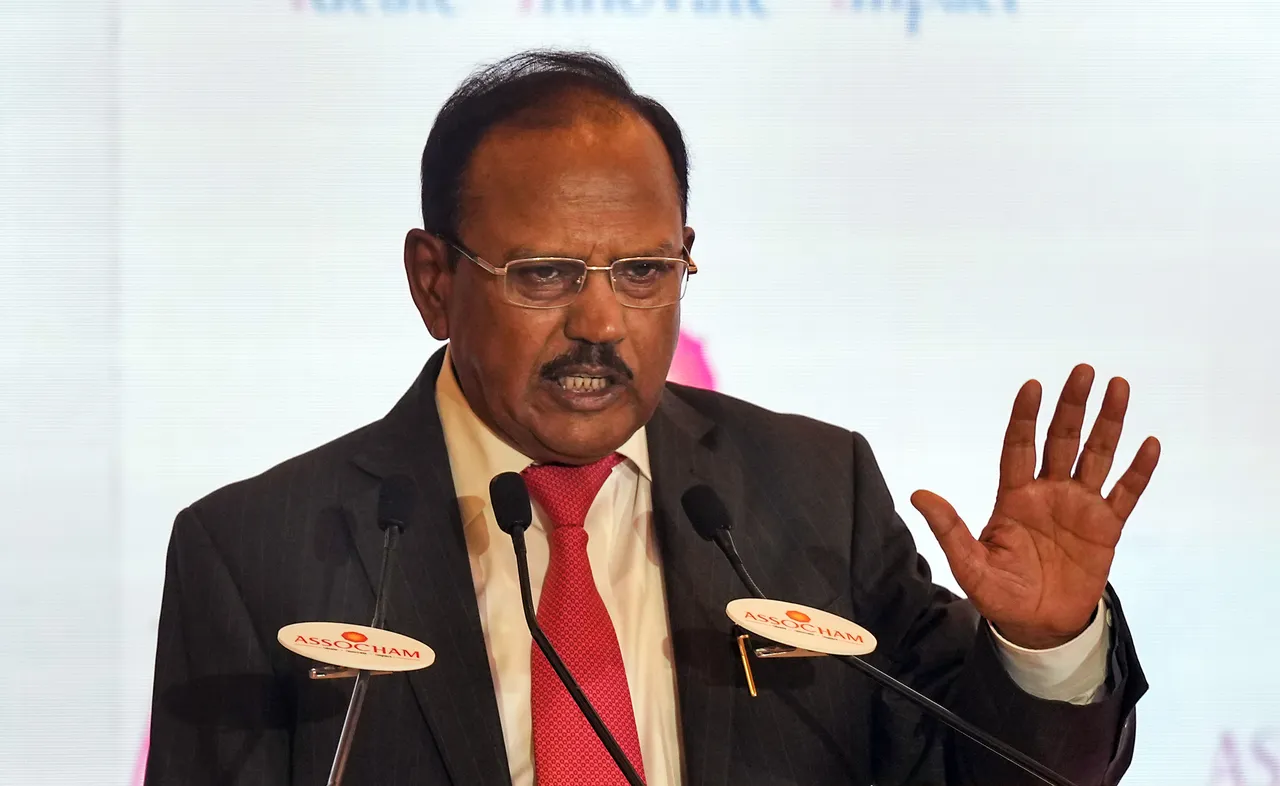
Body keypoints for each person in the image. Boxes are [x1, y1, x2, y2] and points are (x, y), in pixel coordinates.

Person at [145, 50, 1159, 786]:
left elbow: (988, 776)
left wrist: (1044, 647)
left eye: (642, 271)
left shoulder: (810, 495)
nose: (599, 322)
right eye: (542, 274)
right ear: (434, 282)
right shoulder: (253, 555)